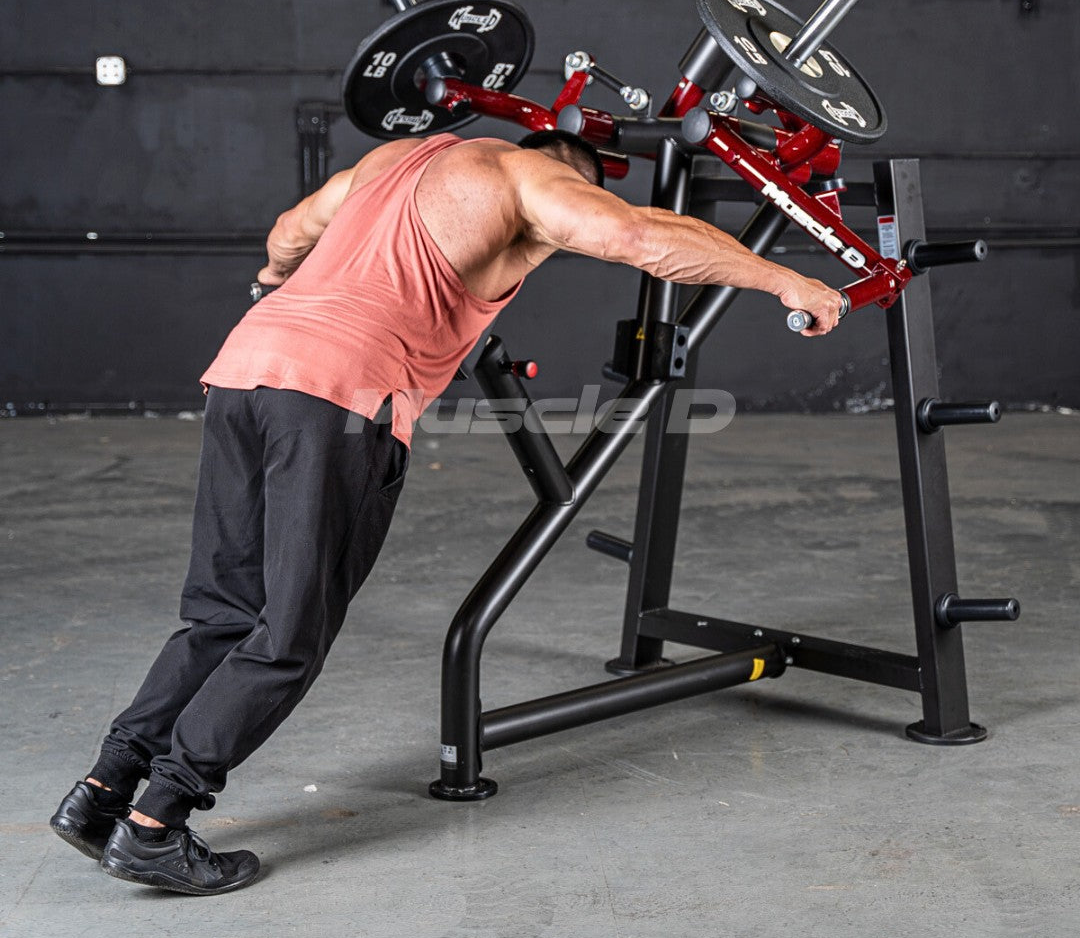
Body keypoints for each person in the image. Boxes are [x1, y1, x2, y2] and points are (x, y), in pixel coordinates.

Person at [50, 129, 842, 894]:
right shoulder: (528, 179)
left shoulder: (395, 158)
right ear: (570, 175)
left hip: (246, 366)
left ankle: (101, 792)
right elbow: (637, 236)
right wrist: (784, 280)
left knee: (219, 612)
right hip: (339, 395)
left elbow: (290, 231)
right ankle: (156, 825)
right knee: (288, 633)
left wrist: (273, 283)